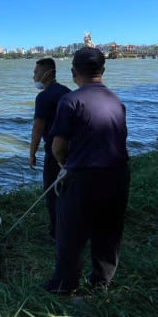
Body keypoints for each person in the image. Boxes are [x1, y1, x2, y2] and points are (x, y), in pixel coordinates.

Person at [44, 47, 130, 294]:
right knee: (109, 230)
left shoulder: (70, 101)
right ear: (103, 70)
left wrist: (63, 165)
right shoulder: (116, 100)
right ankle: (101, 281)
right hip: (118, 173)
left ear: (73, 72)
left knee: (70, 232)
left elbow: (58, 146)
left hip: (84, 177)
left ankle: (63, 286)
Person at [29, 57, 71, 240]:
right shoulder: (68, 92)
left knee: (52, 193)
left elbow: (38, 129)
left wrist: (31, 154)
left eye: (36, 73)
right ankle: (71, 226)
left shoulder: (43, 97)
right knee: (69, 191)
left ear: (48, 73)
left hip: (53, 151)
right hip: (72, 150)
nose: (34, 76)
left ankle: (56, 234)